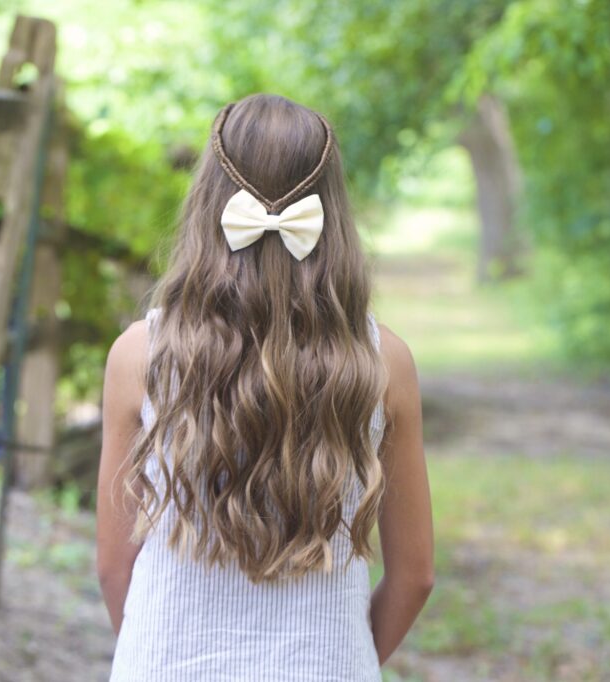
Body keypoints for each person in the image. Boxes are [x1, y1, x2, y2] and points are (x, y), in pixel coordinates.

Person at [96, 93, 435, 681]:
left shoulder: (139, 354)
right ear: (332, 208)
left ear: (207, 200)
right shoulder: (384, 361)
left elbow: (112, 567)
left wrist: (160, 656)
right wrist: (341, 661)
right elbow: (416, 574)